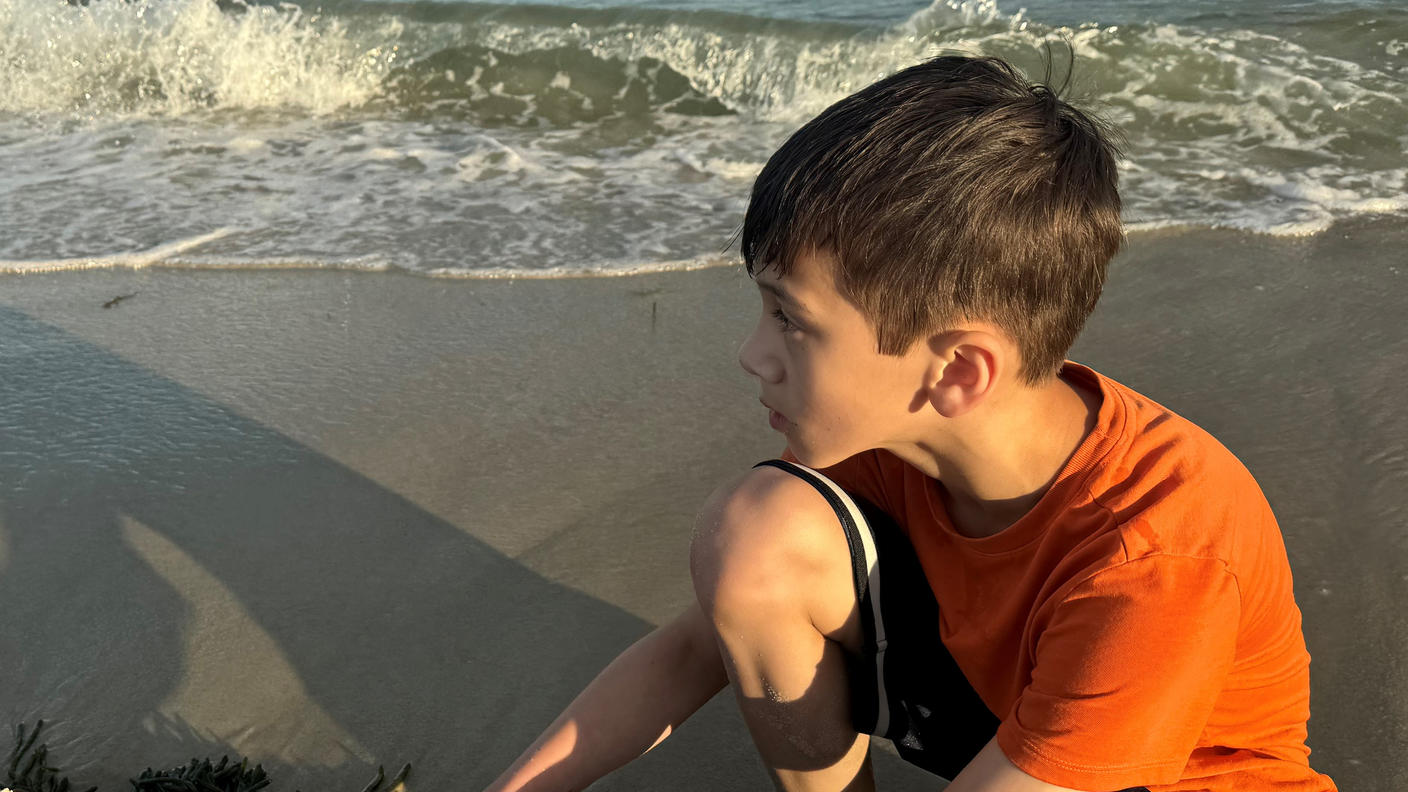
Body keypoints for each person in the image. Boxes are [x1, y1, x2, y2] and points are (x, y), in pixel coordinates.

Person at [484, 54, 1338, 792]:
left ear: (958, 371)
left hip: (1160, 775)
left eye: (790, 319)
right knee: (757, 532)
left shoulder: (1155, 556)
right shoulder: (900, 437)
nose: (753, 354)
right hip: (1008, 720)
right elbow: (694, 648)